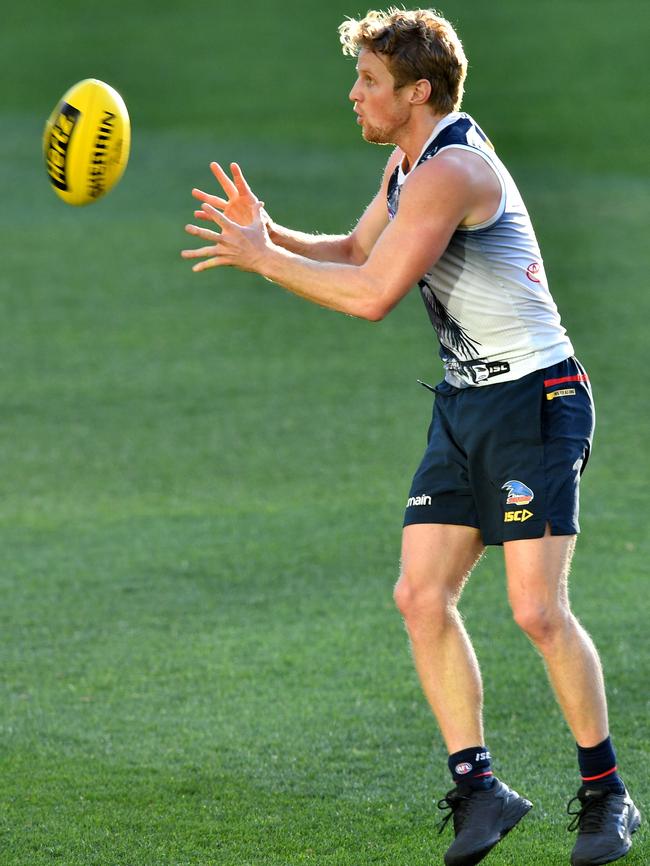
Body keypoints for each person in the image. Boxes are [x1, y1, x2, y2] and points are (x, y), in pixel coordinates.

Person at [181, 8, 640, 865]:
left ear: (417, 92)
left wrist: (261, 261)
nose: (354, 96)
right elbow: (357, 250)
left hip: (535, 402)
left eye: (369, 83)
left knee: (536, 609)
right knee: (419, 597)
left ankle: (606, 792)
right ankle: (480, 790)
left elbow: (371, 296)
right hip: (467, 403)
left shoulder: (453, 171)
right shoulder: (408, 166)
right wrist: (269, 230)